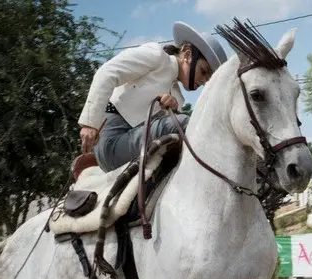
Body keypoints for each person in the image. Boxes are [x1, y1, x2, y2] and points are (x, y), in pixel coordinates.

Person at [77, 22, 228, 173]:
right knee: (184, 123)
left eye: (209, 78)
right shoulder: (157, 56)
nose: (204, 81)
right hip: (111, 141)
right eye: (204, 71)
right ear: (187, 54)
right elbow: (108, 73)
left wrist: (171, 111)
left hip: (138, 150)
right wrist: (90, 123)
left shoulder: (178, 99)